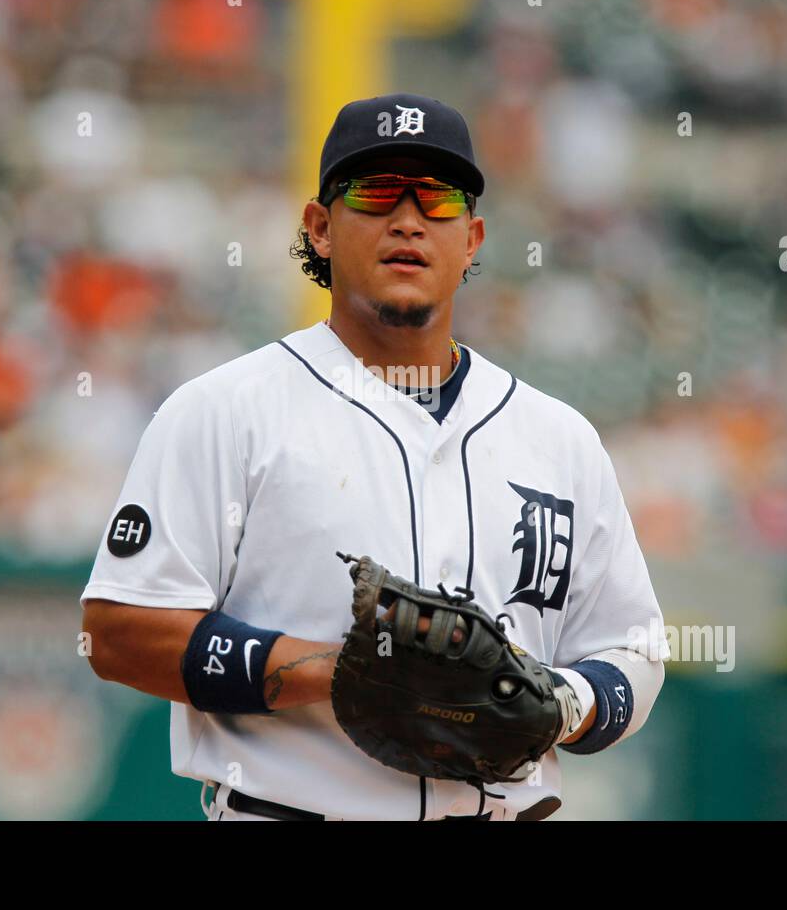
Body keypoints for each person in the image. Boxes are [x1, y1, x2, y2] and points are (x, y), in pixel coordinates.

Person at [80, 93, 668, 820]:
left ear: (473, 238)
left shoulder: (561, 439)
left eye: (439, 198)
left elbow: (634, 652)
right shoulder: (224, 410)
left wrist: (553, 702)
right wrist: (347, 673)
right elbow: (120, 632)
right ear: (320, 228)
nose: (409, 219)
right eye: (377, 192)